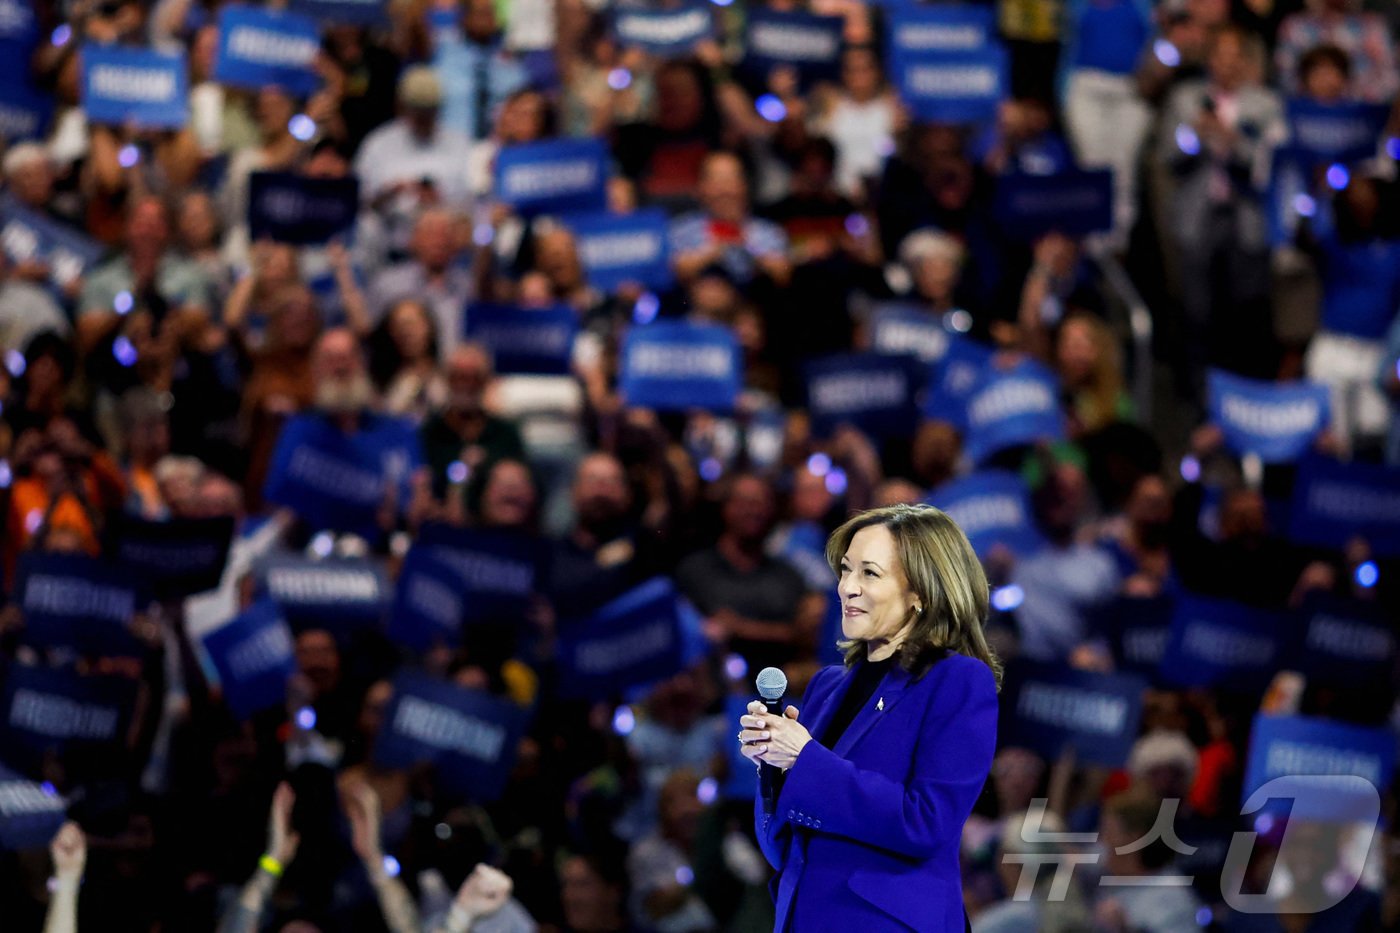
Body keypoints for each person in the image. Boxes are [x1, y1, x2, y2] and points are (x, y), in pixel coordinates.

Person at [738, 503, 1002, 932]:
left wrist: (804, 759)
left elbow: (926, 822)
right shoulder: (827, 687)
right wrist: (773, 769)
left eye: (869, 573)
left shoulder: (957, 680)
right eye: (845, 570)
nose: (847, 588)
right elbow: (786, 846)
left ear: (920, 592)